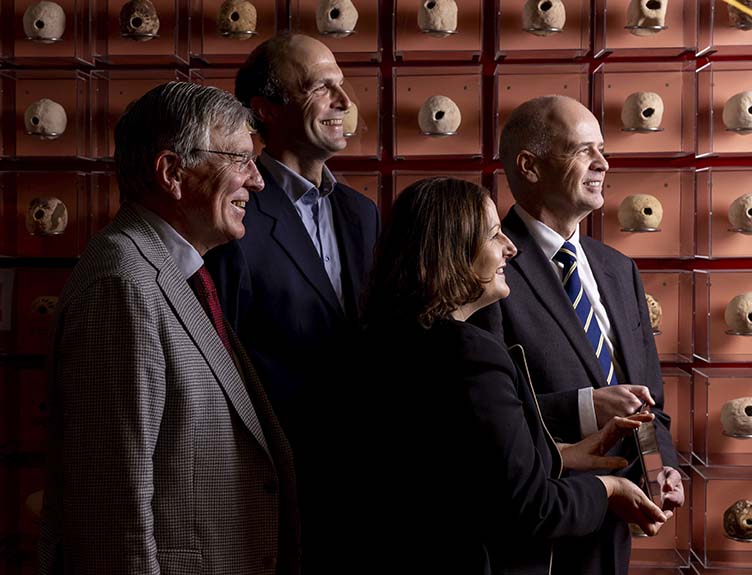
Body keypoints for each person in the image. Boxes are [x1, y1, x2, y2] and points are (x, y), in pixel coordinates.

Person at [37, 82, 300, 575]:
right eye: (240, 159)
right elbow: (110, 506)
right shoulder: (123, 284)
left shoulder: (178, 272)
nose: (258, 181)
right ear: (173, 172)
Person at [353, 177, 670, 575]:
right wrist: (609, 489)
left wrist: (560, 455)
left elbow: (462, 467)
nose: (511, 248)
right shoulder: (472, 355)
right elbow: (533, 510)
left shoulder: (385, 339)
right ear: (452, 251)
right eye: (494, 235)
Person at [484, 95, 685, 574]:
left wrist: (663, 471)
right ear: (529, 166)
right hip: (530, 536)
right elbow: (478, 413)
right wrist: (585, 406)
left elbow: (647, 401)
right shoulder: (485, 264)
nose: (603, 163)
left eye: (603, 149)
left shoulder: (619, 270)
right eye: (583, 151)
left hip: (610, 537)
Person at [204, 33, 380, 565]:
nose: (345, 103)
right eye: (321, 88)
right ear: (266, 110)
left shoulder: (362, 213)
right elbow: (220, 362)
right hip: (275, 489)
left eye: (342, 87)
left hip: (363, 485)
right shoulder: (235, 217)